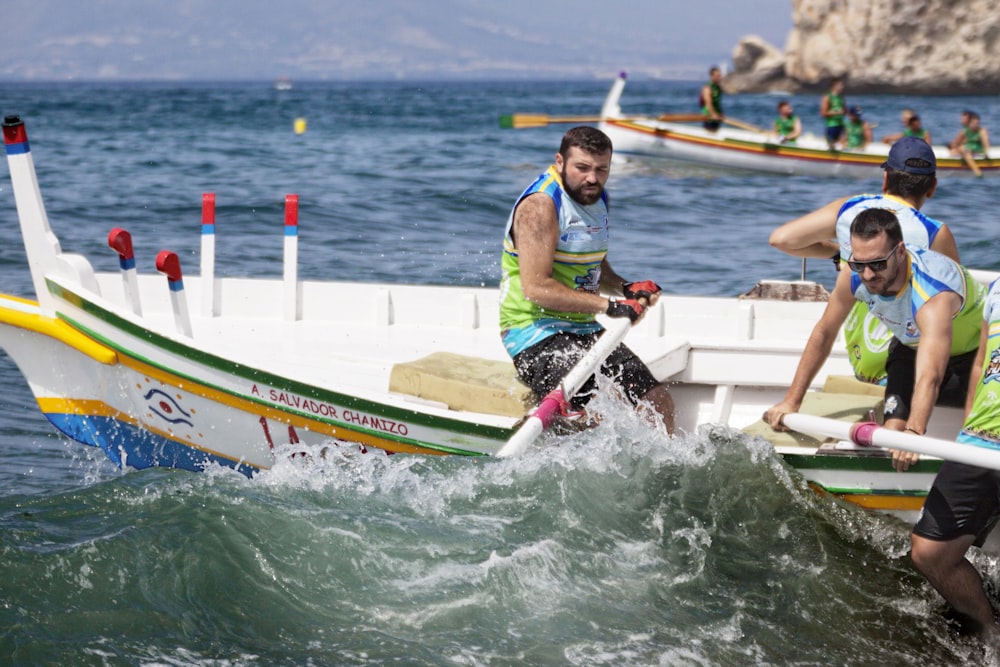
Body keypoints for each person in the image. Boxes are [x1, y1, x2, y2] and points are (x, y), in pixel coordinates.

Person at [764, 208, 985, 473]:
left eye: (878, 264)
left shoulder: (932, 294)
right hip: (911, 346)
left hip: (976, 355)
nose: (867, 275)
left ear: (900, 252)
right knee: (892, 425)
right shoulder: (853, 274)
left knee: (977, 430)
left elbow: (931, 376)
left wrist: (914, 434)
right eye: (860, 264)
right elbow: (824, 333)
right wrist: (791, 401)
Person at [499, 126, 675, 432]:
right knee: (596, 414)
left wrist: (623, 287)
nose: (592, 178)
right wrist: (611, 306)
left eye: (601, 169)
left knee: (658, 403)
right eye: (582, 168)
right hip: (535, 335)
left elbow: (592, 262)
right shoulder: (540, 207)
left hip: (584, 329)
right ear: (560, 162)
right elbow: (536, 288)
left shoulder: (597, 197)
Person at [768, 136, 960, 385]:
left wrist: (845, 257)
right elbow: (959, 306)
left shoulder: (850, 208)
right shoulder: (934, 232)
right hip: (904, 364)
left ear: (885, 179)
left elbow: (782, 239)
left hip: (863, 359)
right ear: (932, 187)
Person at [910, 277, 1000, 637]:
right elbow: (980, 363)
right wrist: (966, 433)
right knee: (929, 553)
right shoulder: (996, 289)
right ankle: (991, 631)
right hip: (980, 441)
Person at [949, 110, 990, 176]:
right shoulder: (964, 131)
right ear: (970, 123)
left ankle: (978, 173)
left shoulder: (982, 131)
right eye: (974, 123)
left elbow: (986, 143)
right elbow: (956, 143)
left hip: (977, 148)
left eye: (977, 123)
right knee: (961, 149)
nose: (976, 125)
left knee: (963, 149)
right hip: (967, 149)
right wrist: (954, 148)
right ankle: (977, 172)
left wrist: (986, 152)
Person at [820, 77, 846, 149]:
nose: (842, 87)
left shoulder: (841, 97)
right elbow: (823, 113)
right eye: (840, 85)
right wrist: (836, 112)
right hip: (831, 126)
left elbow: (845, 111)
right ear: (834, 86)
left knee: (843, 144)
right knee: (832, 146)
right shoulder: (827, 97)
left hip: (841, 124)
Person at [700, 67, 724, 131]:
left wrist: (721, 112)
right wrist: (713, 114)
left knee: (717, 130)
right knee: (711, 131)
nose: (719, 77)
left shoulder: (717, 87)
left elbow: (717, 103)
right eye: (717, 76)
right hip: (709, 118)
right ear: (712, 76)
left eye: (720, 75)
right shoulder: (707, 88)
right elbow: (708, 103)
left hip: (716, 117)